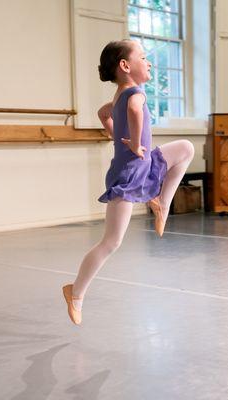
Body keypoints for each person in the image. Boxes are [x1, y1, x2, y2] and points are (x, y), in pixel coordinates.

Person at [62, 39, 194, 325]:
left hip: (141, 165)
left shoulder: (119, 96)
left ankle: (161, 204)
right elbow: (135, 110)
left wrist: (118, 136)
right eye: (143, 57)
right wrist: (133, 143)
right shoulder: (136, 94)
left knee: (185, 148)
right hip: (130, 173)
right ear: (125, 66)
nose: (148, 63)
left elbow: (103, 114)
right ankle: (75, 292)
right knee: (111, 242)